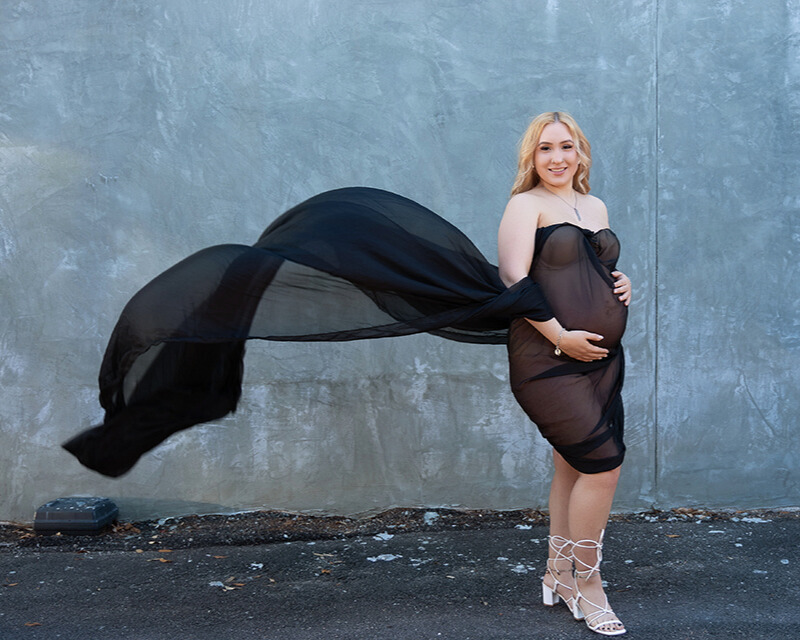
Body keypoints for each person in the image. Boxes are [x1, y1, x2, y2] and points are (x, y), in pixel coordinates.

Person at [497, 111, 631, 636]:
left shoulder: (593, 204)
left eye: (566, 147)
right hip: (546, 358)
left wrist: (621, 283)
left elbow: (587, 268)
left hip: (601, 361)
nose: (557, 158)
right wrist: (559, 336)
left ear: (581, 152)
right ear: (532, 157)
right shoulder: (524, 205)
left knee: (572, 468)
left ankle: (557, 570)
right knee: (603, 466)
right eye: (545, 149)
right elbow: (514, 277)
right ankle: (587, 583)